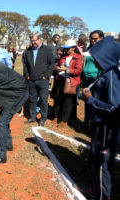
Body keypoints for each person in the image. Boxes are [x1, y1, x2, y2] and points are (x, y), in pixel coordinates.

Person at [82, 36, 120, 200]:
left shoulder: (112, 77)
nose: (94, 61)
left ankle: (102, 195)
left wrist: (90, 99)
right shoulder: (105, 72)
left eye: (97, 58)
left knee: (101, 163)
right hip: (99, 125)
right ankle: (94, 189)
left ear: (107, 58)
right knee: (95, 158)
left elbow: (113, 107)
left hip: (106, 129)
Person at [23, 31, 55, 127]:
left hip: (43, 80)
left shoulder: (47, 49)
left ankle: (43, 118)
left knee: (43, 100)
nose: (33, 42)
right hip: (31, 80)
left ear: (40, 39)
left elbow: (52, 63)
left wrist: (47, 75)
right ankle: (32, 117)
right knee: (32, 99)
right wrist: (27, 74)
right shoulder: (28, 51)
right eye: (31, 40)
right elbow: (25, 64)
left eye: (35, 40)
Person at [53, 40, 83, 126]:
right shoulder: (63, 56)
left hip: (71, 82)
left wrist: (67, 70)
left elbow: (78, 70)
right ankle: (56, 117)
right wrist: (58, 68)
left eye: (68, 49)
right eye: (65, 49)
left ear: (73, 48)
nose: (66, 50)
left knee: (68, 102)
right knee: (58, 99)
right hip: (61, 80)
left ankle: (65, 120)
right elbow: (58, 65)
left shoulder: (78, 57)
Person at [79, 30, 104, 131]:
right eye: (91, 39)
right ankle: (85, 123)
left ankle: (93, 125)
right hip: (86, 78)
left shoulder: (104, 51)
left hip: (97, 79)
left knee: (94, 102)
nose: (93, 40)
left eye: (96, 39)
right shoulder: (88, 50)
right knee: (87, 102)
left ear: (101, 39)